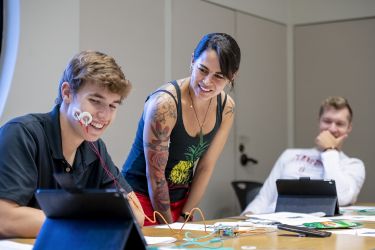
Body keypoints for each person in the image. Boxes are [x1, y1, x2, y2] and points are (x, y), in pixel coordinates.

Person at [0, 51, 144, 238]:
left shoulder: (95, 148)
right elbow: (5, 218)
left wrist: (86, 220)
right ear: (67, 93)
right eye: (95, 101)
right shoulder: (22, 134)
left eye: (112, 106)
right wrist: (87, 220)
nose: (104, 115)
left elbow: (136, 214)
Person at [122, 33, 241, 225]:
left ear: (232, 76)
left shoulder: (227, 108)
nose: (207, 82)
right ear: (193, 60)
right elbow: (155, 175)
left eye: (218, 76)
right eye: (203, 70)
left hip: (180, 199)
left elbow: (205, 166)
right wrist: (170, 226)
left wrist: (185, 215)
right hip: (140, 197)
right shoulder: (164, 105)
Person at [242, 96, 365, 215]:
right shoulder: (290, 154)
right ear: (319, 121)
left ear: (349, 128)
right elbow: (265, 196)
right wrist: (246, 217)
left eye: (339, 123)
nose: (332, 129)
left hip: (317, 228)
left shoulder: (354, 165)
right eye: (327, 121)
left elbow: (342, 198)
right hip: (273, 222)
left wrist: (329, 150)